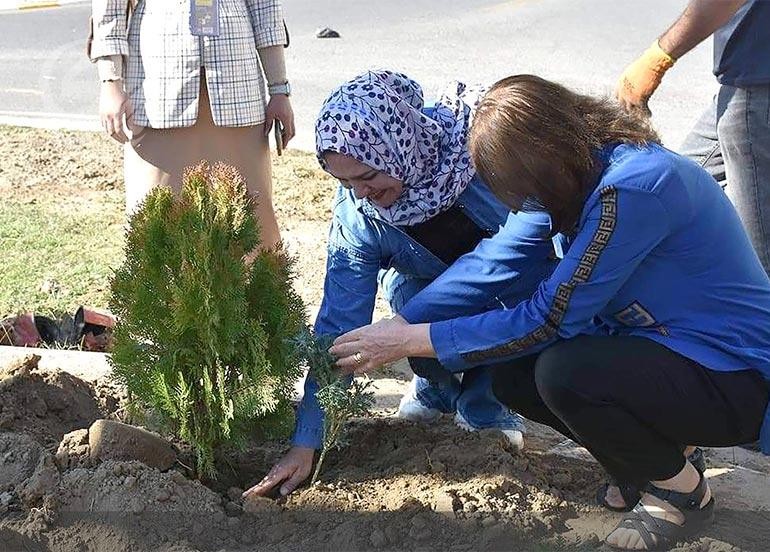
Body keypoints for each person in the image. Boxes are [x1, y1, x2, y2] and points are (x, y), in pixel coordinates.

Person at [331, 75, 770, 551]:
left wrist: (412, 340)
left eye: (515, 191)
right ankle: (658, 461)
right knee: (514, 376)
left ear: (542, 162)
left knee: (566, 371)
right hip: (669, 353)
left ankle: (680, 495)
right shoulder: (575, 171)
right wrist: (403, 322)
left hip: (738, 373)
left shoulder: (634, 188)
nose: (518, 205)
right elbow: (497, 258)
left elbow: (550, 317)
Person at [242, 70, 560, 498]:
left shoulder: (482, 159)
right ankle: (436, 387)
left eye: (367, 176)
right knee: (407, 296)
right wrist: (307, 440)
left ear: (399, 146)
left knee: (524, 304)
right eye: (345, 182)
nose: (360, 194)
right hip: (425, 300)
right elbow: (340, 322)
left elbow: (528, 253)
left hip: (512, 291)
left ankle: (487, 402)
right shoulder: (359, 216)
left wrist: (406, 326)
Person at [90, 0, 295, 250]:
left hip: (238, 91)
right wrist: (111, 81)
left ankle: (252, 288)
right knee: (157, 220)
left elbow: (265, 8)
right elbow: (109, 9)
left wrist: (279, 89)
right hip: (158, 90)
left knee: (249, 220)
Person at [616, 0, 770, 274]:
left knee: (759, 258)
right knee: (675, 186)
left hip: (755, 91)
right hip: (743, 88)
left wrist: (658, 57)